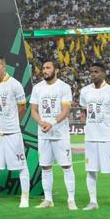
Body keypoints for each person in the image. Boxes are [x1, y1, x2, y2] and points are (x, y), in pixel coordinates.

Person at [0, 55, 29, 207]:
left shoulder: (15, 84)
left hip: (12, 133)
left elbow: (22, 107)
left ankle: (25, 198)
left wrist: (13, 121)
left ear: (4, 67)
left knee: (21, 166)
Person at [29, 59, 77, 209]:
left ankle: (71, 199)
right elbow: (33, 111)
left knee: (67, 166)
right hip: (43, 134)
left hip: (60, 134)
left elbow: (65, 110)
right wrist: (41, 122)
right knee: (45, 167)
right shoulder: (37, 88)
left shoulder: (64, 87)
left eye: (48, 67)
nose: (44, 70)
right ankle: (48, 199)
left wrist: (52, 123)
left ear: (56, 70)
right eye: (43, 67)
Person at [80, 62, 110, 211]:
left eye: (97, 72)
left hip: (108, 137)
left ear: (104, 73)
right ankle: (93, 202)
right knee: (91, 170)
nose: (93, 74)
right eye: (91, 72)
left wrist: (107, 125)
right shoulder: (85, 91)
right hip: (91, 137)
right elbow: (85, 112)